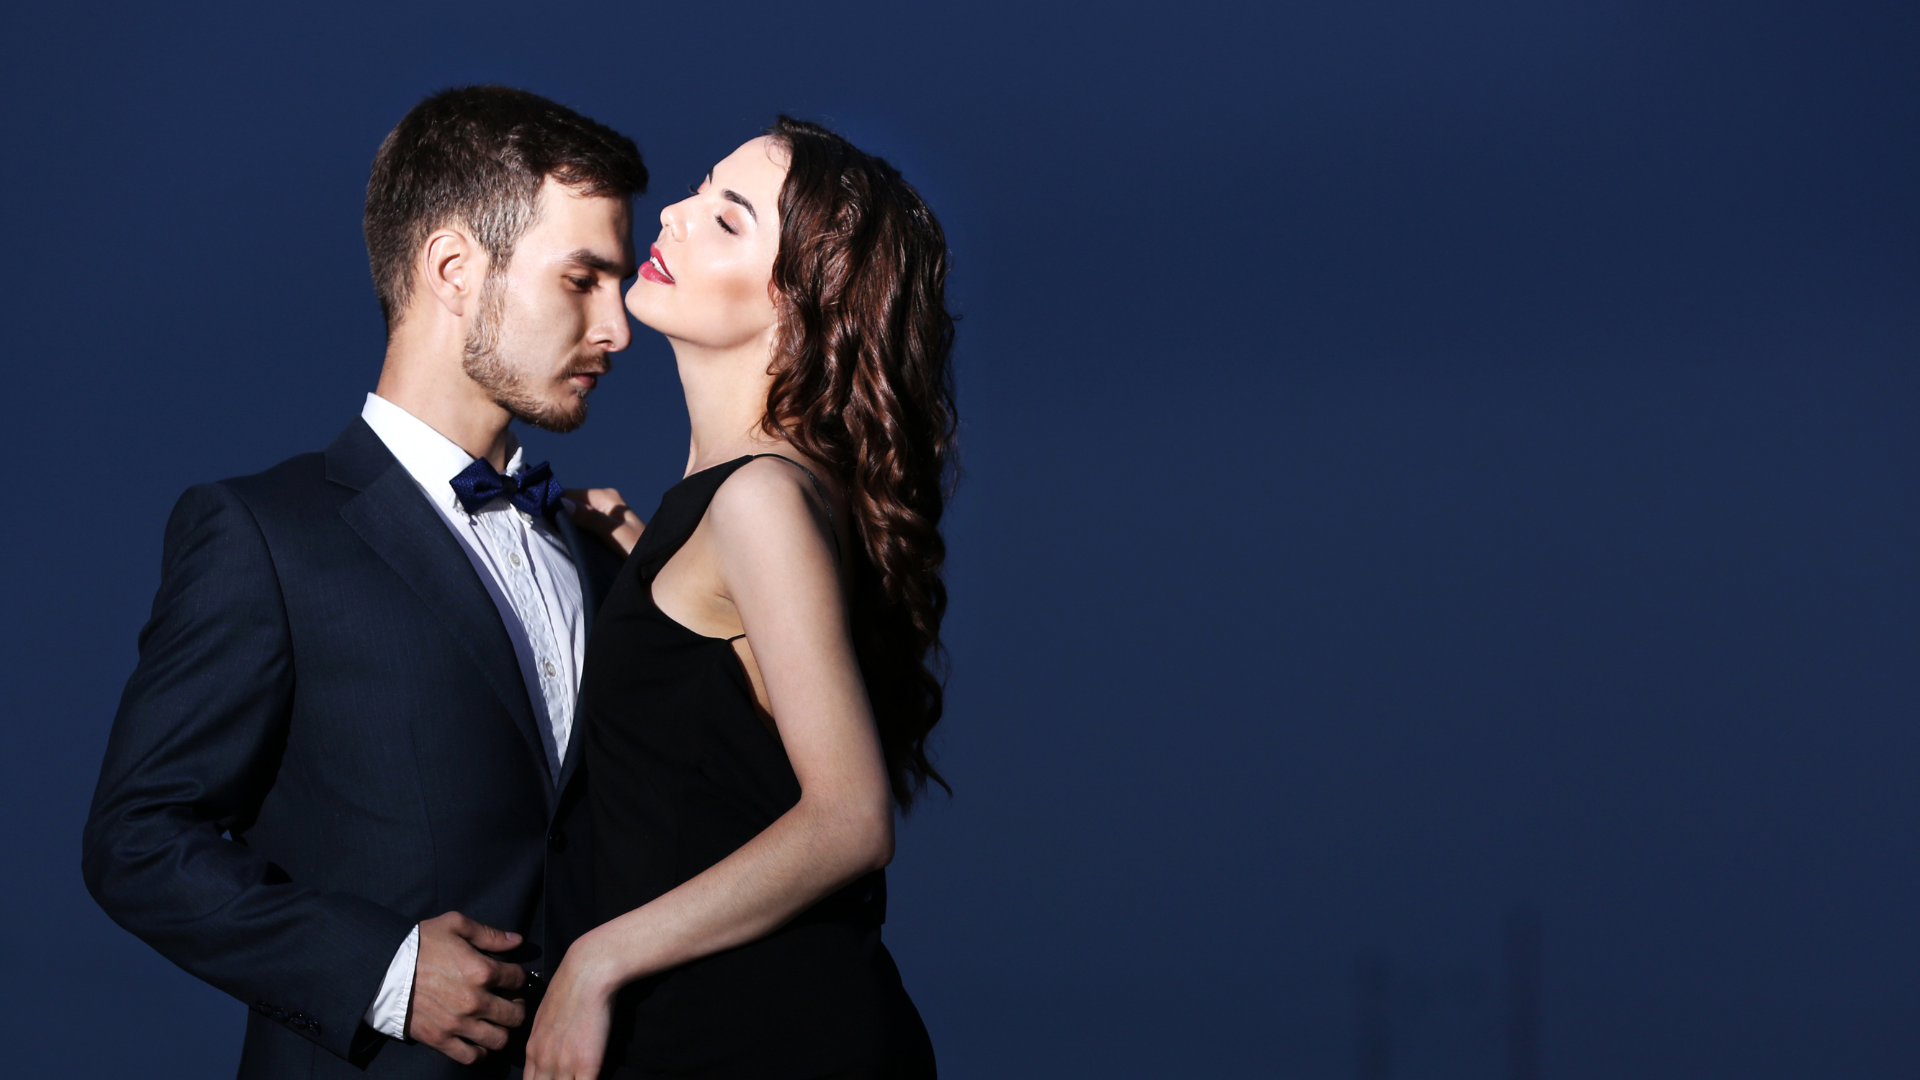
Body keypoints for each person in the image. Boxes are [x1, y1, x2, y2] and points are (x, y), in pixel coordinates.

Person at [82, 86, 646, 1078]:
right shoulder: (262, 534)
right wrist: (383, 970)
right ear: (453, 269)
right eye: (582, 279)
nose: (618, 328)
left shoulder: (601, 550)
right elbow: (135, 838)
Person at [523, 118, 955, 1080]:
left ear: (800, 309)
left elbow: (851, 819)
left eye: (727, 218)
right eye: (699, 191)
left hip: (762, 1036)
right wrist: (642, 565)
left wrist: (596, 962)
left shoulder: (762, 499)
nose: (670, 215)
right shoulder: (738, 503)